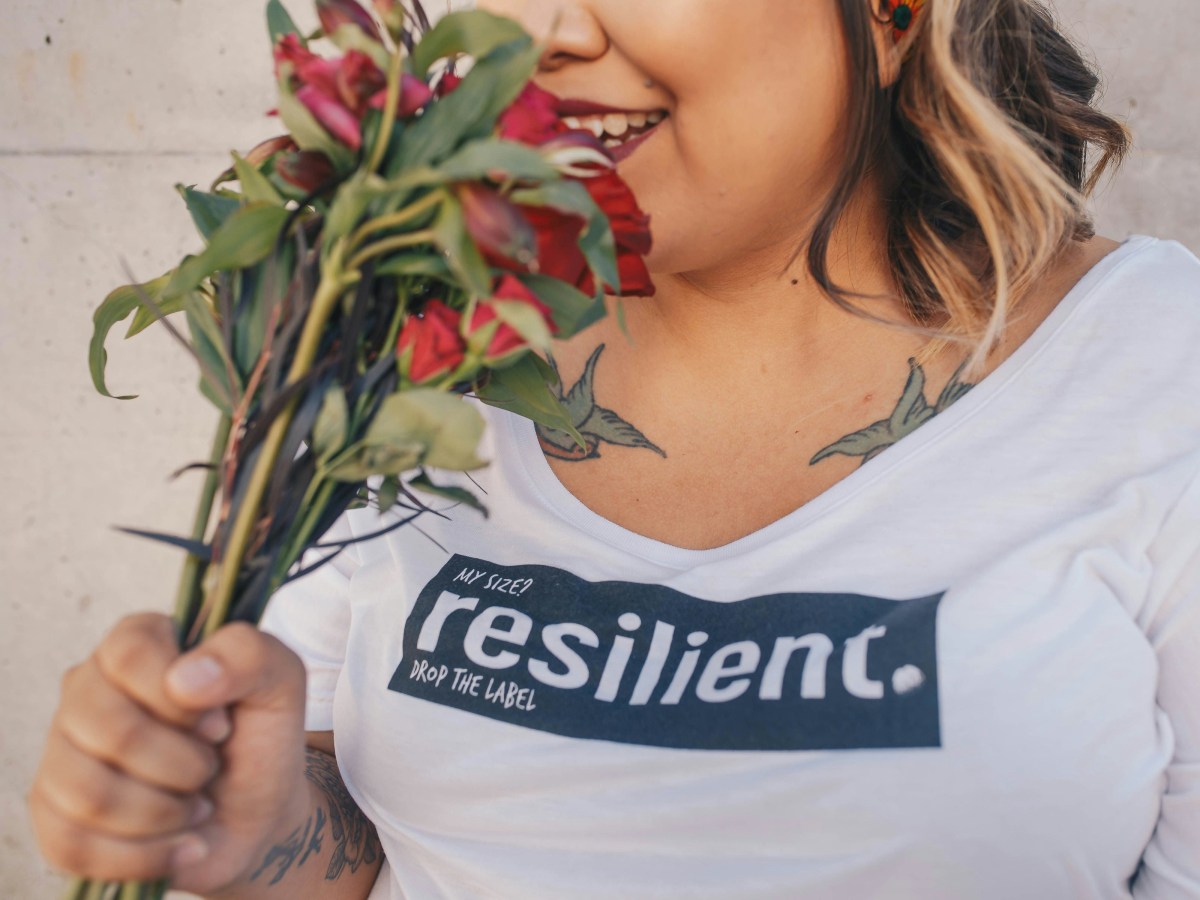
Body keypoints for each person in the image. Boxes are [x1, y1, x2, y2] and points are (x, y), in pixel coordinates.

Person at [30, 0, 1200, 897]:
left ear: (894, 12)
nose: (551, 30)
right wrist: (244, 825)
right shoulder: (406, 341)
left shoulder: (1155, 366)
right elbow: (351, 834)